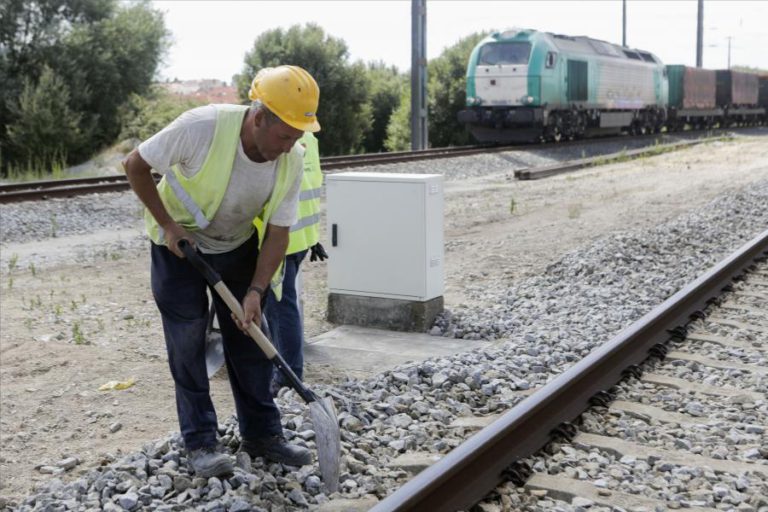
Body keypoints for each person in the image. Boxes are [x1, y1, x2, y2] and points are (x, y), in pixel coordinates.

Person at [122, 65, 320, 478]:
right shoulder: (202, 126)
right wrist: (169, 226)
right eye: (285, 135)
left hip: (236, 246)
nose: (289, 146)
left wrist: (255, 291)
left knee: (251, 338)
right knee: (188, 342)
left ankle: (263, 435)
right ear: (259, 116)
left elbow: (279, 233)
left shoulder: (292, 159)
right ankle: (201, 442)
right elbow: (134, 165)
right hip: (179, 250)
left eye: (298, 137)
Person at [263, 131, 327, 393]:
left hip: (281, 236)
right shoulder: (307, 135)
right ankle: (284, 371)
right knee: (279, 307)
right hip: (302, 236)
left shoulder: (277, 135)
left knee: (280, 309)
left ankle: (289, 376)